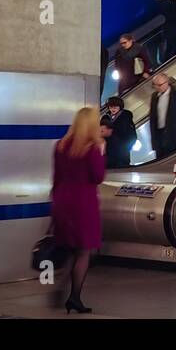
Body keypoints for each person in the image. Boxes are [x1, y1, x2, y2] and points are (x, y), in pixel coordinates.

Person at [50, 107, 106, 314]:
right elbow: (98, 177)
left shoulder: (61, 145)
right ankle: (74, 297)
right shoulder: (93, 148)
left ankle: (63, 290)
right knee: (83, 251)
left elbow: (56, 176)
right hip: (84, 201)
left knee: (70, 247)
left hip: (63, 199)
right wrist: (102, 152)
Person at [100, 96, 136, 169]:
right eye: (111, 107)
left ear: (120, 107)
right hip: (109, 150)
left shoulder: (126, 116)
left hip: (122, 149)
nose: (113, 109)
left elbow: (130, 133)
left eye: (115, 107)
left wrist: (127, 146)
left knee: (121, 168)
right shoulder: (105, 117)